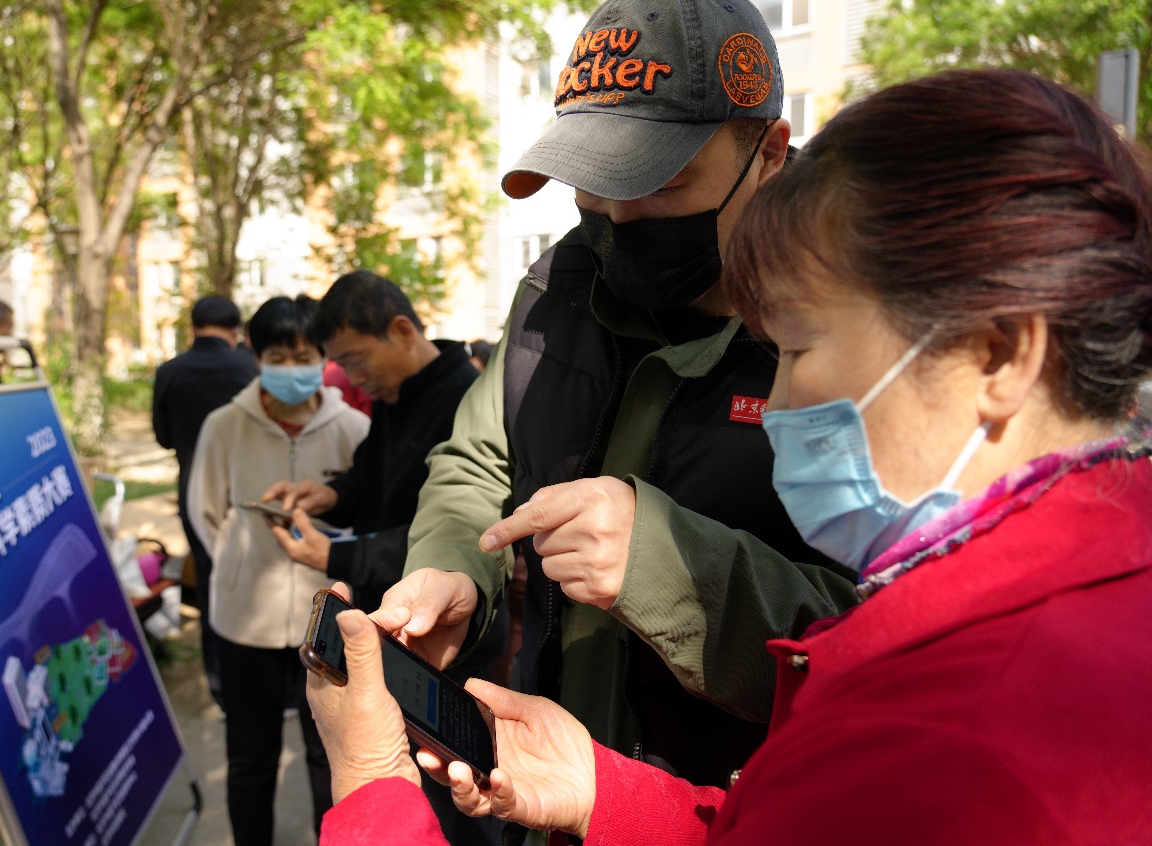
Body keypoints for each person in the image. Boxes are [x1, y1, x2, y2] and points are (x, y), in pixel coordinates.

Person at [308, 68, 1152, 845]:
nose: (778, 406)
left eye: (794, 347)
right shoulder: (552, 295)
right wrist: (611, 794)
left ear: (997, 355)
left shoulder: (950, 733)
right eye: (592, 188)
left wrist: (372, 785)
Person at [375, 0, 857, 807]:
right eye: (591, 183)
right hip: (546, 783)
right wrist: (451, 565)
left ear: (768, 153)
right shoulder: (554, 288)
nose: (616, 218)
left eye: (660, 183)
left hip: (731, 806)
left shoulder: (853, 328)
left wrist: (671, 568)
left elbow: (891, 635)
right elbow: (479, 458)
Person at [261, 270, 504, 845]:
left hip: (448, 622)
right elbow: (371, 476)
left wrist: (339, 553)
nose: (356, 378)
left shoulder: (465, 400)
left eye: (358, 359)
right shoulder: (396, 397)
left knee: (459, 784)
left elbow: (450, 527)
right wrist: (331, 494)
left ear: (401, 330)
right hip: (396, 613)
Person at [187, 294, 369, 844]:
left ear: (323, 355)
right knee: (250, 756)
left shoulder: (355, 428)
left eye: (305, 355)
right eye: (279, 356)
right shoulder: (224, 426)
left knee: (329, 755)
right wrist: (239, 565)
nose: (293, 369)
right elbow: (206, 511)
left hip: (330, 622)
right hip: (245, 620)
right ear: (255, 354)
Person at [151, 294, 260, 710]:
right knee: (257, 580)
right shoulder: (250, 367)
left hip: (195, 490)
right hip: (250, 489)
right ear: (235, 329)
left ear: (193, 327)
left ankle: (221, 683)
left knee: (212, 581)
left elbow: (163, 436)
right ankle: (266, 682)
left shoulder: (170, 371)